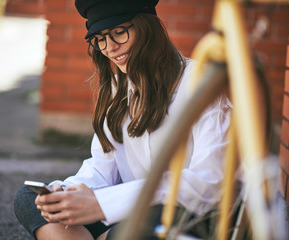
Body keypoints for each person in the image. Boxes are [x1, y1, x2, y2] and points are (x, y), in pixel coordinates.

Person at [14, 0, 232, 239]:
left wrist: (101, 204)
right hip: (125, 213)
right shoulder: (118, 89)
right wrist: (65, 194)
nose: (110, 48)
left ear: (148, 28)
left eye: (119, 32)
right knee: (29, 200)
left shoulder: (200, 84)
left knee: (136, 227)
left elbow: (209, 183)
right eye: (100, 38)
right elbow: (101, 170)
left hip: (188, 217)